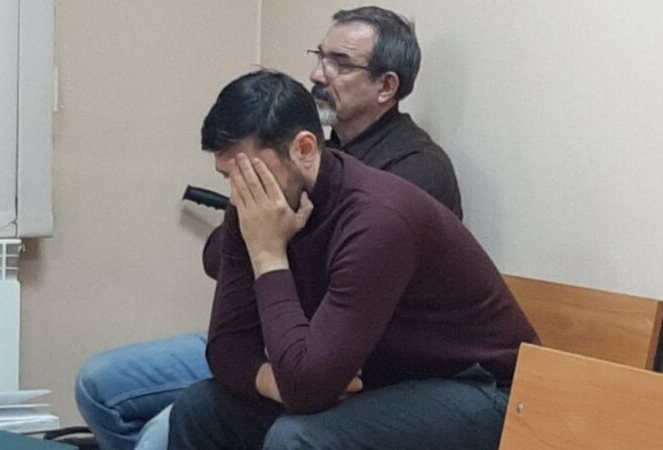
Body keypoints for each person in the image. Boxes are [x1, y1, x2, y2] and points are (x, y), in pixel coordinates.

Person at [75, 6, 463, 450]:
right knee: (102, 384)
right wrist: (270, 375)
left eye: (339, 63)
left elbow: (333, 298)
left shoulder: (409, 175)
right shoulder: (297, 155)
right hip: (275, 338)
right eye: (320, 56)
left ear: (386, 86)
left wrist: (269, 247)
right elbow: (219, 266)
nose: (317, 73)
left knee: (167, 433)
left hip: (360, 358)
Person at [167, 69, 537, 450]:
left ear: (304, 149)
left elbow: (307, 387)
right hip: (383, 378)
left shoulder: (378, 220)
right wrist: (277, 383)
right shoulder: (253, 209)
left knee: (297, 439)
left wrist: (268, 255)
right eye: (229, 177)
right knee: (199, 409)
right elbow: (226, 347)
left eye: (250, 174)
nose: (239, 193)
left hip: (483, 389)